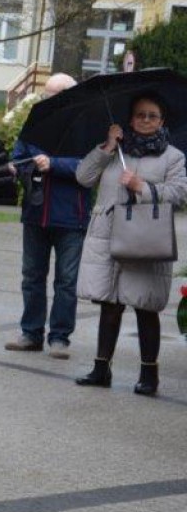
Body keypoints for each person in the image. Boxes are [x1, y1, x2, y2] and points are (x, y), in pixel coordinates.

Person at [74, 92, 187, 396]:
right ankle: (101, 368)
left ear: (162, 121)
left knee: (145, 307)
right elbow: (83, 177)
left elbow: (179, 193)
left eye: (152, 116)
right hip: (109, 235)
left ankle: (149, 375)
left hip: (146, 239)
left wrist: (143, 188)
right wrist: (108, 146)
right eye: (140, 115)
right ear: (130, 119)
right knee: (109, 305)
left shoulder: (173, 157)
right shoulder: (115, 151)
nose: (145, 120)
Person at [5, 74, 90, 359]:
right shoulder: (35, 122)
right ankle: (31, 333)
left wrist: (54, 164)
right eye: (46, 94)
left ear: (68, 96)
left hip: (71, 216)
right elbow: (20, 153)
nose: (47, 99)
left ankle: (60, 337)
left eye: (54, 94)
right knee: (32, 277)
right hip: (35, 212)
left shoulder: (85, 126)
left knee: (66, 281)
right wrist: (17, 167)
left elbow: (90, 168)